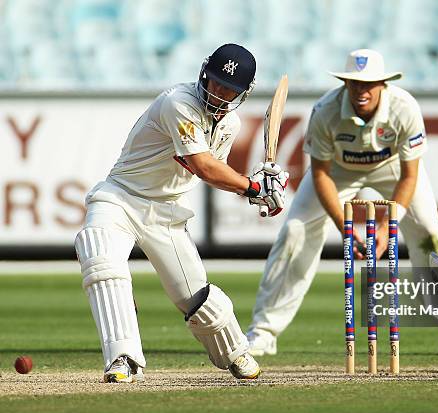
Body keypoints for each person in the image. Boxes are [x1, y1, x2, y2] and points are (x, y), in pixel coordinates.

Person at [74, 43, 289, 383]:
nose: (218, 93)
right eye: (215, 81)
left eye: (228, 89)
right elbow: (203, 167)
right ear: (204, 74)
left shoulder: (229, 125)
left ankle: (235, 352)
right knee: (101, 261)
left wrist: (261, 192)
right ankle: (123, 360)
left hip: (167, 213)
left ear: (241, 94)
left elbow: (218, 171)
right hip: (120, 198)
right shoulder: (178, 103)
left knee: (196, 297)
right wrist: (252, 187)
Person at [246, 48, 438, 357]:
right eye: (355, 83)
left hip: (392, 169)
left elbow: (409, 176)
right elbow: (321, 174)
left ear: (383, 84)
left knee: (430, 235)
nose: (361, 91)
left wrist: (386, 228)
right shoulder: (326, 110)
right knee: (295, 232)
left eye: (369, 84)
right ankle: (263, 331)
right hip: (338, 170)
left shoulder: (404, 108)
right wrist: (345, 228)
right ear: (345, 83)